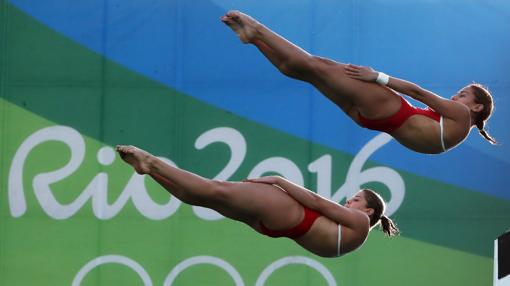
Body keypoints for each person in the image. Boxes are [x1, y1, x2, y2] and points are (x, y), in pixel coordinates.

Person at [220, 11, 497, 154]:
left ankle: (258, 29)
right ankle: (253, 39)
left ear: (476, 108)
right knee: (307, 73)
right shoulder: (454, 132)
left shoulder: (460, 117)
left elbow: (417, 92)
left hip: (392, 111)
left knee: (318, 65)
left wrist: (377, 77)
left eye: (462, 95)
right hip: (369, 119)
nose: (455, 98)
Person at [116, 145, 399, 257]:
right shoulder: (352, 240)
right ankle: (149, 170)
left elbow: (317, 202)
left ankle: (151, 161)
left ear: (369, 210)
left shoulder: (361, 223)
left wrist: (279, 180)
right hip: (276, 227)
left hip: (289, 213)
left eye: (357, 198)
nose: (350, 200)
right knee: (204, 199)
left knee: (214, 191)